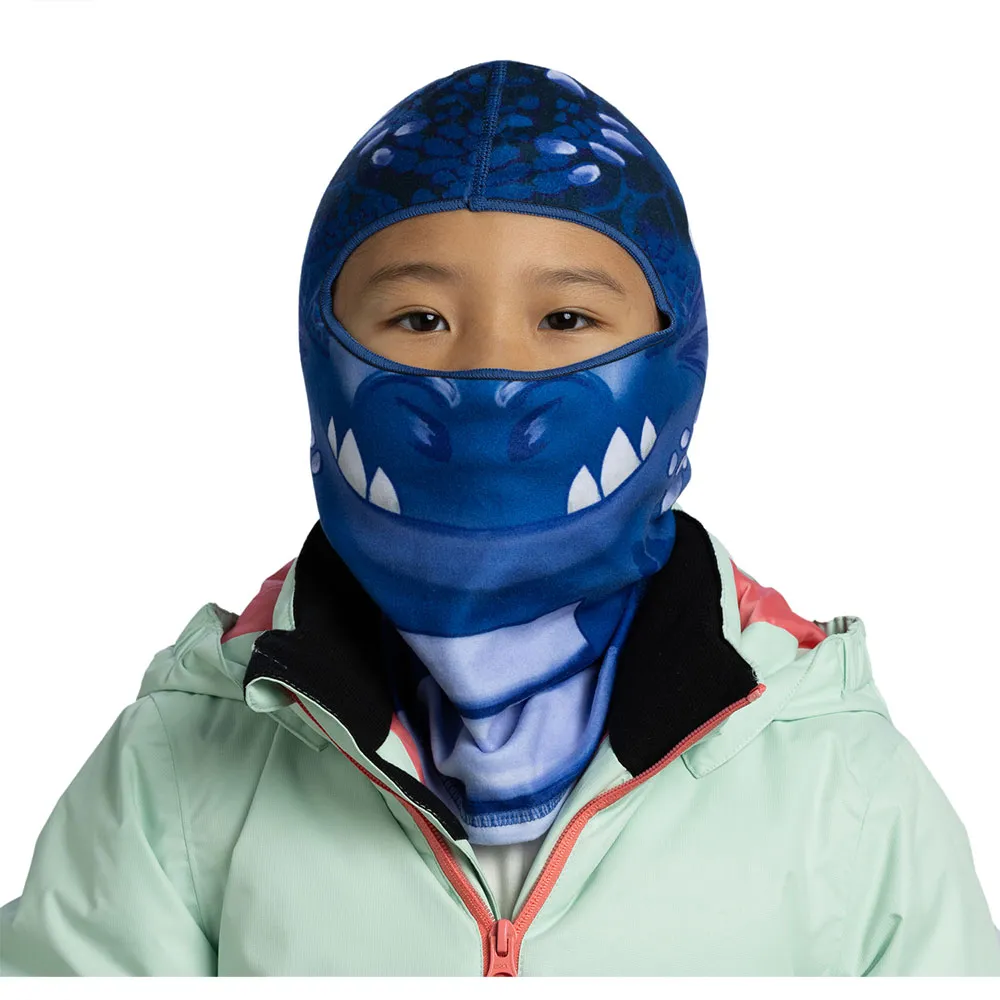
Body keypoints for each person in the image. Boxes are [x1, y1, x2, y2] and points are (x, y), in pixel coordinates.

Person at [2, 58, 999, 978]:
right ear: (319, 355)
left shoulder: (835, 775)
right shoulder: (184, 764)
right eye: (419, 319)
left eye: (565, 319)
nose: (491, 375)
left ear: (679, 357)